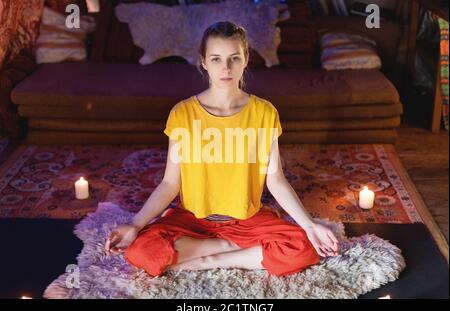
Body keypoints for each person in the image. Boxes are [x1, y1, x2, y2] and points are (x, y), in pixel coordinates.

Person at [105, 21, 339, 277]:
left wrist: (309, 225)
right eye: (216, 59)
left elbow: (276, 179)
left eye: (234, 58)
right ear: (204, 62)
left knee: (303, 247)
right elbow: (170, 183)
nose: (226, 68)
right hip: (192, 219)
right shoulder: (183, 113)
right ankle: (232, 250)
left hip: (247, 220)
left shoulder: (264, 112)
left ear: (246, 59)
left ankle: (208, 259)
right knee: (139, 250)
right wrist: (135, 224)